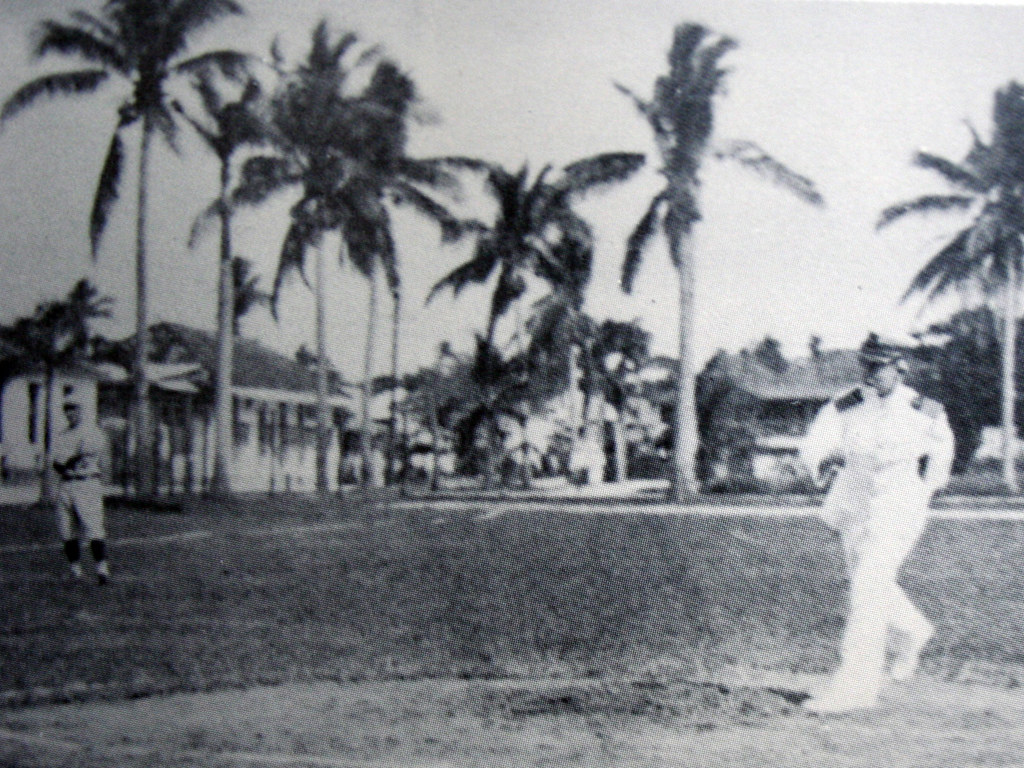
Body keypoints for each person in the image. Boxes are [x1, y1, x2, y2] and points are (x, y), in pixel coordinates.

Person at [798, 333, 954, 714]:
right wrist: (819, 463)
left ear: (900, 367)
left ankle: (854, 688)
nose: (870, 373)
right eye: (866, 364)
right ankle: (913, 631)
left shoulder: (924, 410)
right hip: (854, 497)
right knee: (868, 582)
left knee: (868, 588)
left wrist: (923, 493)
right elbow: (814, 445)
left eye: (879, 366)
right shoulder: (845, 405)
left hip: (899, 500)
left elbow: (941, 454)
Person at [52, 398, 110, 585]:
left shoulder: (91, 432)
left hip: (86, 483)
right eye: (67, 409)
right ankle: (75, 571)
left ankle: (102, 570)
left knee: (93, 527)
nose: (70, 413)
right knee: (65, 529)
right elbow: (57, 462)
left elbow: (81, 457)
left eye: (73, 409)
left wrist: (67, 461)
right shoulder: (62, 435)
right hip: (66, 483)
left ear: (81, 411)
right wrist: (64, 464)